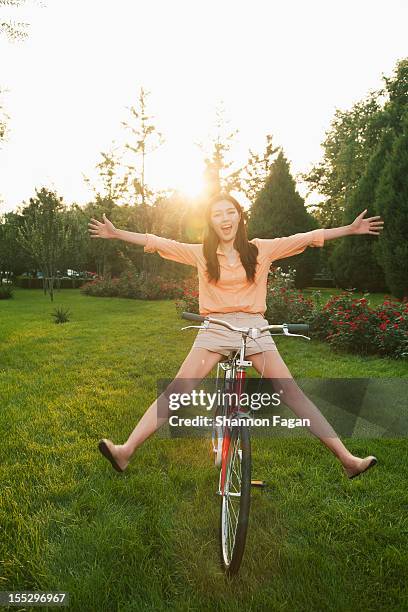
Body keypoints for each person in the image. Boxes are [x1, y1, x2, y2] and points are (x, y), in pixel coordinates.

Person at [88, 192, 384, 478]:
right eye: (217, 214)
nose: (225, 219)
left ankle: (348, 460)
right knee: (176, 392)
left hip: (255, 329)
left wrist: (350, 228)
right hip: (215, 328)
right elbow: (159, 242)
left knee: (292, 394)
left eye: (230, 212)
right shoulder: (202, 254)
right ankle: (125, 451)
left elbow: (306, 238)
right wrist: (118, 234)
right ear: (211, 222)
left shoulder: (260, 249)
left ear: (240, 217)